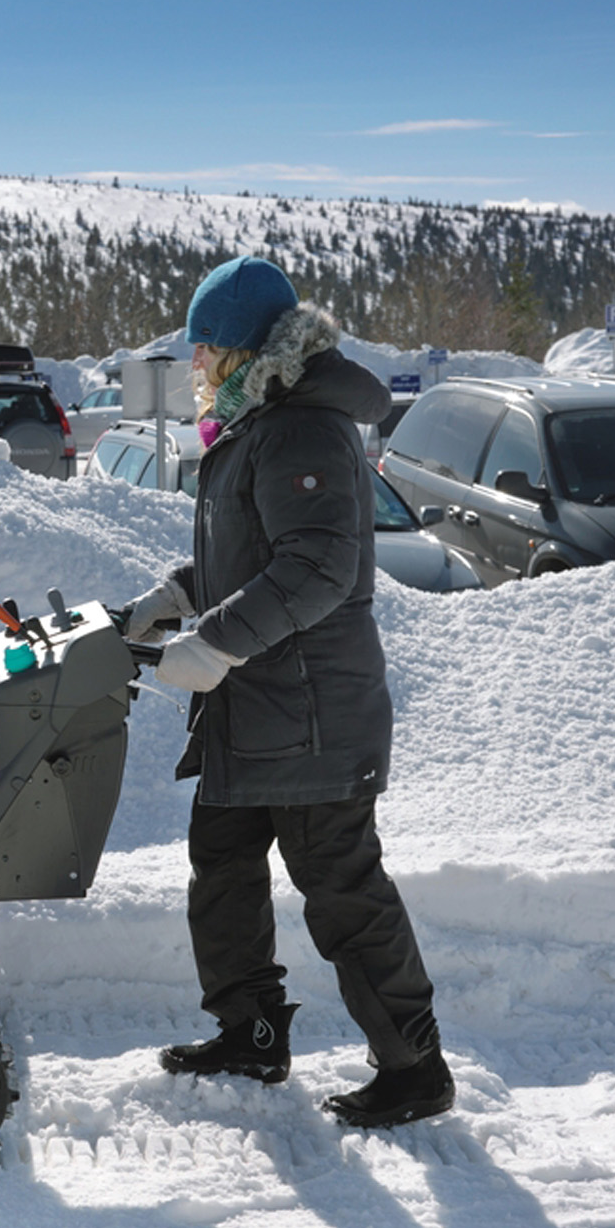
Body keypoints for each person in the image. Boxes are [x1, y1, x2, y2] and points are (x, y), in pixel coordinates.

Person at [123, 256, 452, 1128]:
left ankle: (414, 1067)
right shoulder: (255, 422)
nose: (193, 364)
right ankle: (251, 1032)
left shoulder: (301, 429)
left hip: (308, 714)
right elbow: (254, 553)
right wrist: (175, 597)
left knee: (343, 892)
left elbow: (315, 569)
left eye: (204, 348)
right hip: (255, 705)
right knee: (221, 870)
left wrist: (214, 643)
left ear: (240, 351)